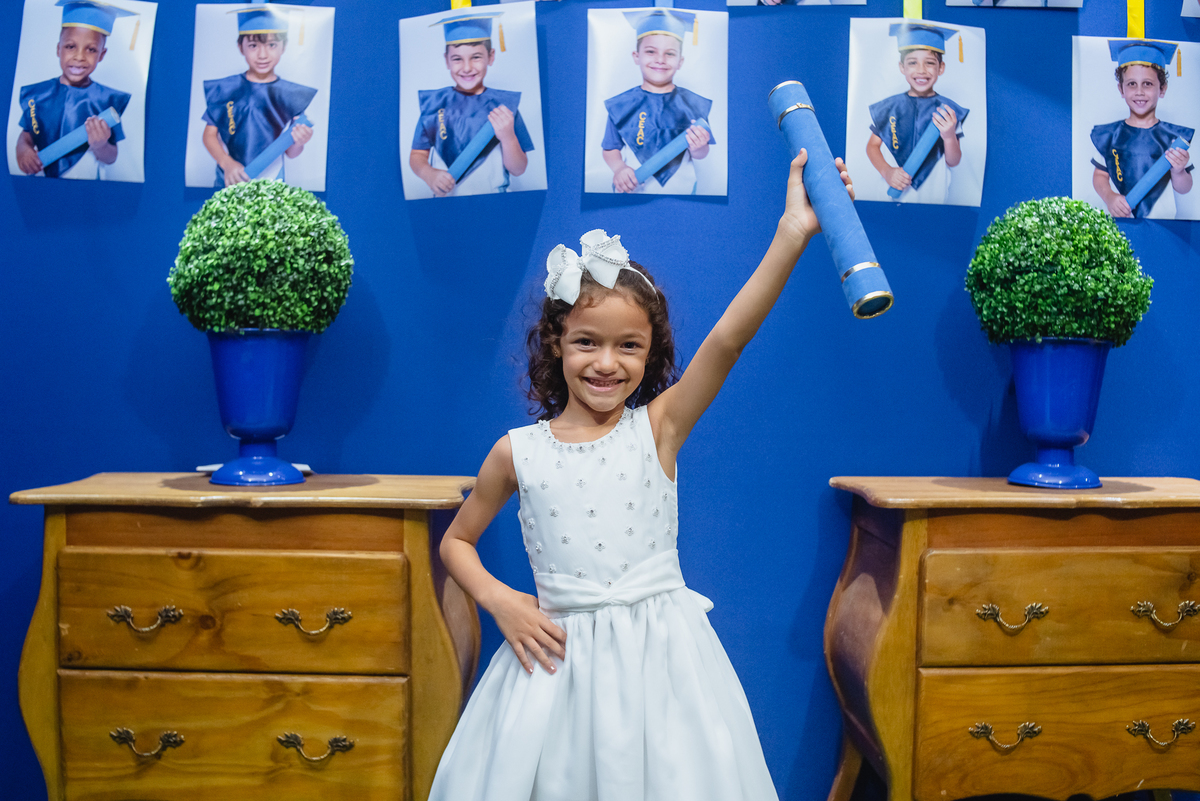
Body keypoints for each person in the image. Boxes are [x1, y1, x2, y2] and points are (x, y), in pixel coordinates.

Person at [427, 149, 853, 801]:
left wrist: (792, 233)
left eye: (629, 345)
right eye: (587, 341)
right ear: (555, 344)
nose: (607, 362)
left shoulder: (659, 427)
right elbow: (456, 541)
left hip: (665, 672)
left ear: (651, 352)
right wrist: (502, 600)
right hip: (555, 667)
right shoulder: (515, 452)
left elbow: (729, 340)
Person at [410, 11, 534, 197]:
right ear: (446, 60)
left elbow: (518, 169)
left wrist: (508, 138)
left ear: (491, 56)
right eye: (457, 59)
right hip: (446, 205)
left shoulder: (504, 107)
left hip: (495, 203)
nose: (467, 68)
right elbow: (417, 155)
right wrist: (429, 174)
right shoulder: (435, 105)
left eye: (476, 57)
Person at [15, 0, 136, 179]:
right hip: (40, 181)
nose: (79, 57)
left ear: (102, 55)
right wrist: (22, 150)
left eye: (91, 49)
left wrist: (100, 145)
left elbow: (111, 157)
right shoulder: (38, 96)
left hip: (84, 184)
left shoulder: (107, 102)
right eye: (71, 47)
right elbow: (27, 135)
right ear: (58, 49)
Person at [201, 5, 316, 188]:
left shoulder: (289, 95)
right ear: (241, 47)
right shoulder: (226, 90)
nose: (263, 55)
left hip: (271, 184)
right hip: (231, 180)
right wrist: (226, 162)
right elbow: (209, 136)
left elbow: (291, 152)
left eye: (272, 45)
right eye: (253, 46)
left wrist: (300, 141)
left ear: (283, 47)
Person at [602, 8, 714, 195]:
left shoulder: (693, 105)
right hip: (635, 190)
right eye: (651, 51)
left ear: (680, 61)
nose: (660, 60)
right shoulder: (621, 105)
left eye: (670, 54)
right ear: (636, 57)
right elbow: (610, 148)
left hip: (682, 190)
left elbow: (701, 154)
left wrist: (700, 147)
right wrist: (619, 168)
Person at [1090, 39, 1193, 219]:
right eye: (1131, 84)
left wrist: (1179, 171)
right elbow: (1099, 175)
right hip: (1122, 220)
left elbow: (1185, 188)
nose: (1139, 91)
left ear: (1162, 89)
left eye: (1148, 84)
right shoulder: (1109, 136)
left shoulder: (1174, 138)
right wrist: (1110, 197)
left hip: (1165, 223)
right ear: (1121, 89)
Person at [866, 23, 968, 204]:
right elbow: (872, 146)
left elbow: (953, 161)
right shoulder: (890, 107)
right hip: (890, 190)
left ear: (941, 68)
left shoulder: (948, 111)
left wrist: (949, 136)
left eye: (930, 63)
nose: (921, 70)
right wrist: (887, 171)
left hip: (934, 193)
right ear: (902, 67)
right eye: (912, 63)